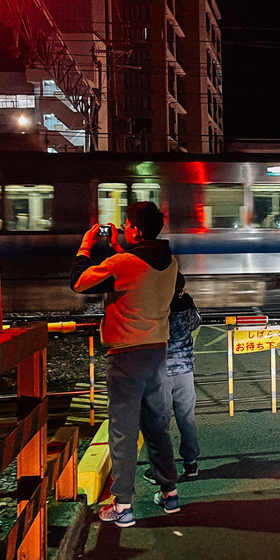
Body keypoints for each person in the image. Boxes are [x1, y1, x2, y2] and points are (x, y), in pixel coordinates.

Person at [70, 201, 183, 527]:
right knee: (156, 426)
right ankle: (169, 493)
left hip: (125, 357)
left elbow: (79, 283)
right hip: (157, 353)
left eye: (125, 224)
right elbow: (167, 287)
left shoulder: (121, 263)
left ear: (134, 229)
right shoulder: (172, 263)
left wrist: (85, 247)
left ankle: (122, 508)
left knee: (123, 431)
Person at [144, 275, 201, 483]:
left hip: (160, 372)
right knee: (187, 418)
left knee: (159, 422)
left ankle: (161, 469)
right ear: (183, 288)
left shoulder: (154, 304)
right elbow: (195, 322)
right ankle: (191, 463)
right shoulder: (186, 302)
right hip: (185, 369)